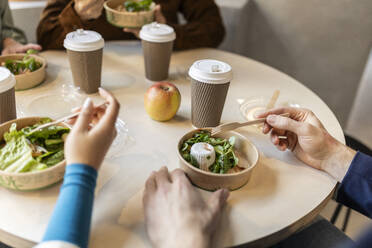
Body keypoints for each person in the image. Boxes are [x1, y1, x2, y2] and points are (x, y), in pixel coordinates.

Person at [36, 0, 225, 51]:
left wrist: (166, 32)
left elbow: (214, 29)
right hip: (93, 70)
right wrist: (78, 14)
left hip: (162, 71)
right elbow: (45, 37)